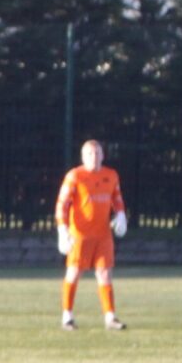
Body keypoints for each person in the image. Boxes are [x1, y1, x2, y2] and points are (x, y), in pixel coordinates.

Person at [56, 139, 129, 331]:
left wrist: (121, 215)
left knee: (105, 273)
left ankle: (110, 317)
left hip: (103, 235)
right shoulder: (75, 176)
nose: (94, 157)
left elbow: (117, 197)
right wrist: (62, 230)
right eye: (90, 154)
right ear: (82, 157)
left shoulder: (111, 175)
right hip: (80, 234)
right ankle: (67, 316)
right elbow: (61, 204)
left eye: (97, 153)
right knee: (74, 272)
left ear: (103, 155)